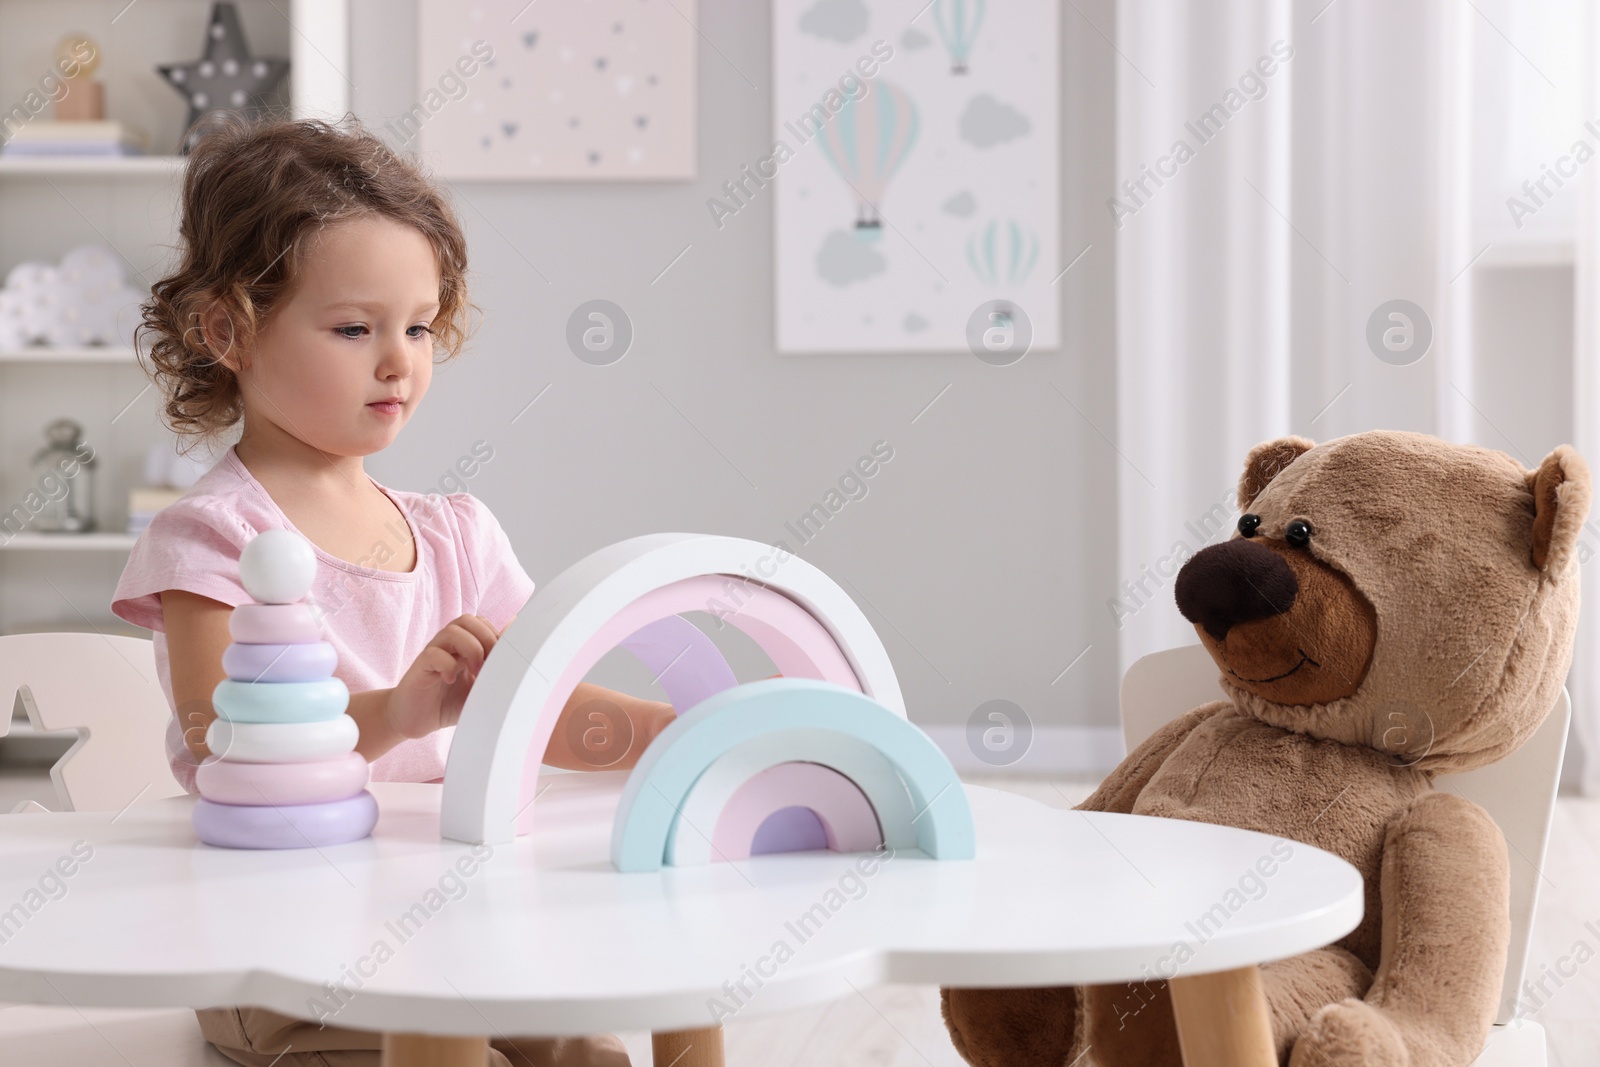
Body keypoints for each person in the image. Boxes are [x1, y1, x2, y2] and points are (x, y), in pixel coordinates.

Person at [110, 111, 660, 1067]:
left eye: (418, 325)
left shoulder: (457, 533)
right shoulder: (212, 537)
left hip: (454, 926)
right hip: (279, 959)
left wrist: (676, 730)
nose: (398, 359)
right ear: (225, 330)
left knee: (591, 1052)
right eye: (355, 327)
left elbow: (538, 704)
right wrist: (398, 712)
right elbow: (220, 742)